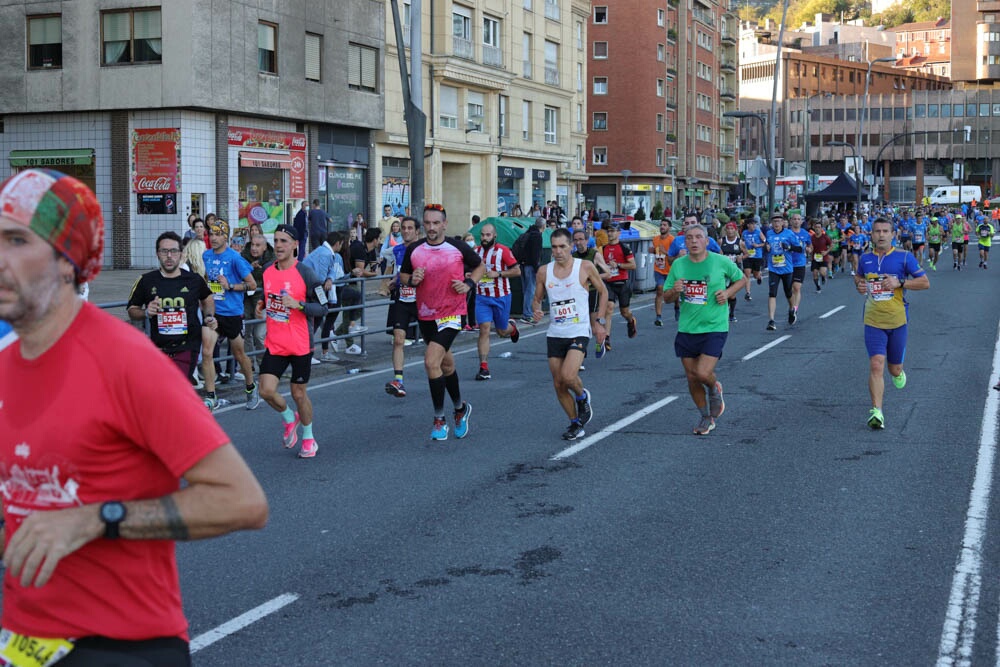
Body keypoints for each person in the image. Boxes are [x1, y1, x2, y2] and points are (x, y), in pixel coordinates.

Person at [0, 168, 267, 662]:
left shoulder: (126, 363)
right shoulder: (5, 365)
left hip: (122, 645)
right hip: (22, 640)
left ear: (68, 261)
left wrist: (97, 519)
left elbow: (242, 502)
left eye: (16, 240)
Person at [399, 204, 484, 440]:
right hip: (426, 314)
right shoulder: (415, 249)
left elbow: (479, 266)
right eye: (427, 223)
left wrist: (469, 284)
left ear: (444, 224)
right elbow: (404, 275)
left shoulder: (457, 247)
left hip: (452, 314)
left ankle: (439, 420)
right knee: (445, 366)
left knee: (430, 361)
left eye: (436, 223)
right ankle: (460, 409)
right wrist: (412, 279)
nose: (431, 228)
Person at [662, 223, 747, 435]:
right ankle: (705, 417)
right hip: (687, 327)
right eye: (689, 238)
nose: (693, 241)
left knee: (702, 372)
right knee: (691, 377)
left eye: (698, 237)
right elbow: (666, 297)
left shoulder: (719, 261)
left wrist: (727, 294)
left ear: (706, 241)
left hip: (714, 325)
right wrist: (675, 290)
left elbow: (741, 279)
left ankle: (714, 387)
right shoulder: (679, 265)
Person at [256, 225, 328, 458]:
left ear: (295, 245)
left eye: (284, 241)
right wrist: (262, 304)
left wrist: (299, 305)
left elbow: (323, 307)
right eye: (276, 241)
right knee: (266, 391)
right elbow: (268, 296)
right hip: (275, 343)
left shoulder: (306, 273)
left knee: (298, 394)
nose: (278, 246)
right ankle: (290, 418)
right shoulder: (267, 270)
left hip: (299, 344)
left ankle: (309, 438)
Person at [853, 217, 930, 429]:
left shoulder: (904, 257)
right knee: (876, 364)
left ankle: (898, 371)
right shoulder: (865, 258)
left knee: (894, 369)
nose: (881, 235)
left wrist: (900, 282)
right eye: (877, 231)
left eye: (885, 231)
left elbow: (925, 282)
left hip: (897, 320)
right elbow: (859, 278)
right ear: (872, 234)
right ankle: (877, 411)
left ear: (893, 234)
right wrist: (860, 285)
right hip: (873, 320)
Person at [532, 228, 608, 440]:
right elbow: (537, 299)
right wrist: (536, 310)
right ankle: (575, 423)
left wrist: (600, 322)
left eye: (562, 246)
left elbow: (603, 291)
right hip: (555, 331)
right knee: (558, 383)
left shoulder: (584, 267)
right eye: (554, 247)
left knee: (568, 376)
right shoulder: (544, 271)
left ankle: (582, 397)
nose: (558, 251)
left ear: (571, 246)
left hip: (579, 329)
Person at [127, 231, 217, 389]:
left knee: (175, 388)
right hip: (158, 349)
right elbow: (132, 310)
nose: (169, 256)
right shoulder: (146, 280)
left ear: (181, 254)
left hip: (187, 346)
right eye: (164, 251)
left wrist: (208, 316)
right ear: (157, 254)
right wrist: (146, 312)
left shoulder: (194, 280)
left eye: (174, 251)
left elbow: (207, 298)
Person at [203, 218, 260, 410]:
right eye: (211, 234)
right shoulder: (206, 256)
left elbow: (252, 285)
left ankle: (251, 387)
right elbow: (207, 278)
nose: (214, 238)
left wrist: (230, 286)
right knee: (207, 352)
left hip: (233, 313)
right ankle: (211, 396)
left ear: (226, 237)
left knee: (239, 354)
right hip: (213, 313)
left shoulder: (235, 258)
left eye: (218, 234)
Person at [473, 223, 521, 381]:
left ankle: (512, 329)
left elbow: (517, 271)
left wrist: (498, 273)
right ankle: (484, 367)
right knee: (484, 329)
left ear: (494, 236)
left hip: (501, 296)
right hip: (482, 297)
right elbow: (470, 270)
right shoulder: (476, 251)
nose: (484, 238)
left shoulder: (503, 251)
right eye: (482, 235)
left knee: (501, 331)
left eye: (488, 235)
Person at [385, 216, 422, 397]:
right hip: (402, 299)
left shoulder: (424, 249)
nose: (406, 231)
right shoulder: (398, 249)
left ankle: (443, 372)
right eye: (403, 228)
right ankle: (398, 381)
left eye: (409, 228)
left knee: (433, 341)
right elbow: (399, 271)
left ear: (417, 232)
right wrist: (394, 280)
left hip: (422, 300)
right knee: (398, 339)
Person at [600, 221, 638, 350]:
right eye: (608, 231)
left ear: (618, 233)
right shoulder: (604, 248)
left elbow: (633, 265)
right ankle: (607, 338)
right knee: (609, 307)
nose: (610, 233)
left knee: (624, 312)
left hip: (622, 283)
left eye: (612, 231)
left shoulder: (624, 248)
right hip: (608, 282)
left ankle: (631, 320)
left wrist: (619, 265)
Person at [764, 213, 802, 331]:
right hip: (773, 268)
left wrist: (789, 247)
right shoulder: (769, 233)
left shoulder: (789, 234)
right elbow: (766, 246)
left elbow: (800, 248)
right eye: (774, 222)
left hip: (787, 269)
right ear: (772, 223)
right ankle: (771, 320)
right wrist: (766, 247)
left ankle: (792, 310)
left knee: (788, 293)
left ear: (783, 223)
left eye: (779, 221)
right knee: (772, 293)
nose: (776, 224)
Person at [787, 211, 812, 321]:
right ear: (790, 221)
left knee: (796, 287)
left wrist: (808, 249)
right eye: (794, 219)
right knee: (788, 290)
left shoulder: (805, 234)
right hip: (787, 263)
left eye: (798, 219)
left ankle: (795, 309)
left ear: (801, 222)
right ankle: (791, 307)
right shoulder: (786, 233)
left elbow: (810, 247)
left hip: (800, 263)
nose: (796, 221)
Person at [519, 218, 545, 325]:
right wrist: (537, 268)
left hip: (523, 265)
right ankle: (527, 315)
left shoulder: (528, 232)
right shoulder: (537, 236)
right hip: (531, 266)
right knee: (531, 290)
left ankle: (527, 313)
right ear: (543, 226)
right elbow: (535, 254)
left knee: (526, 290)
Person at [650, 219, 675, 326]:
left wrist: (665, 252)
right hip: (659, 269)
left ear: (669, 228)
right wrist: (651, 250)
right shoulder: (655, 239)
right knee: (659, 289)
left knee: (674, 292)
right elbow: (654, 251)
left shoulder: (672, 240)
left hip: (670, 270)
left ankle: (677, 306)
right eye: (661, 225)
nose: (662, 227)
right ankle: (658, 316)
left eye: (664, 225)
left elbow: (675, 256)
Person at [718, 222, 743, 322]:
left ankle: (731, 314)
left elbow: (746, 253)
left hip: (735, 270)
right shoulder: (721, 241)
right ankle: (723, 312)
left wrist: (741, 257)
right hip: (723, 270)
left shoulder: (740, 242)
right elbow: (717, 253)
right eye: (728, 229)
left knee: (732, 294)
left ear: (735, 230)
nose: (730, 231)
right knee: (723, 291)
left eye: (732, 229)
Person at [740, 216, 765, 299]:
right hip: (748, 256)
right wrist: (743, 250)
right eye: (752, 224)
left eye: (755, 224)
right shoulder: (744, 233)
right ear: (748, 225)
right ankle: (748, 293)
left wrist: (758, 245)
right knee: (747, 274)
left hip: (757, 256)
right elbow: (741, 242)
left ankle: (759, 276)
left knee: (755, 275)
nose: (754, 226)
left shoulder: (758, 232)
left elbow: (765, 242)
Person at [809, 220, 832, 293]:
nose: (817, 229)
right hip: (815, 257)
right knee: (815, 273)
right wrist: (810, 250)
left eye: (819, 227)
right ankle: (818, 287)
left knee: (822, 272)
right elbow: (810, 246)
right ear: (814, 228)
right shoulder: (812, 237)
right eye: (816, 227)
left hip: (823, 257)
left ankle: (823, 277)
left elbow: (831, 245)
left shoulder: (825, 237)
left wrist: (826, 252)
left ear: (821, 228)